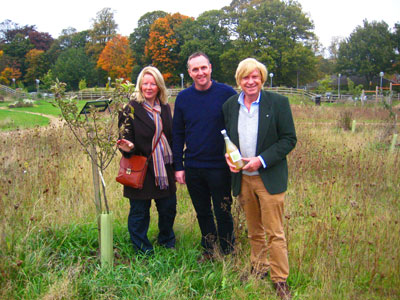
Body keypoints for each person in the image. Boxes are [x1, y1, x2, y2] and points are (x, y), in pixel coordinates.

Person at [222, 58, 296, 300]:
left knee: (275, 232)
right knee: (254, 230)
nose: (250, 81)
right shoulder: (230, 105)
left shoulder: (278, 103)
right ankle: (259, 268)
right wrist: (229, 158)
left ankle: (280, 280)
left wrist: (261, 159)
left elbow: (288, 139)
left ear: (262, 79)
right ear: (239, 81)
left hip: (268, 177)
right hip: (243, 178)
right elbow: (228, 139)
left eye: (255, 76)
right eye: (245, 77)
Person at [172, 52, 237, 261]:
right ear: (189, 73)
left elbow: (238, 127)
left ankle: (227, 250)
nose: (200, 73)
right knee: (202, 211)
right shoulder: (183, 98)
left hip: (220, 166)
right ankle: (209, 249)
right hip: (193, 166)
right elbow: (178, 133)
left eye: (203, 68)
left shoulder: (227, 93)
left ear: (210, 68)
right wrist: (178, 166)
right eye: (195, 69)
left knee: (223, 210)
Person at [117, 66, 176, 254]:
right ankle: (142, 250)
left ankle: (166, 242)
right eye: (145, 84)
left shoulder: (165, 108)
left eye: (153, 84)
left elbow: (170, 136)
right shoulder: (130, 109)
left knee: (168, 209)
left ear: (159, 86)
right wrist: (127, 148)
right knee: (139, 213)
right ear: (140, 86)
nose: (149, 87)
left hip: (164, 169)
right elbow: (125, 139)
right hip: (141, 168)